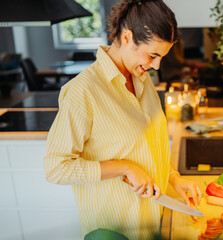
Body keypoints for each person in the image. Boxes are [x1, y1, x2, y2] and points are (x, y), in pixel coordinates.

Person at [43, 0, 202, 239]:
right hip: (113, 231)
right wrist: (124, 167)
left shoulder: (142, 79)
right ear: (127, 37)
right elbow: (56, 169)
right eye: (152, 55)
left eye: (161, 57)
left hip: (151, 222)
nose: (156, 65)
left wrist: (173, 178)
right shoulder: (83, 91)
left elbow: (149, 146)